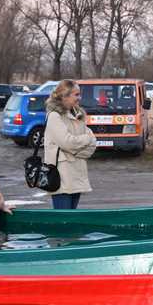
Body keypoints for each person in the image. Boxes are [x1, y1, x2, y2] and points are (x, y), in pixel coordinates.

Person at [44, 79, 96, 209]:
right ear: (65, 96)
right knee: (63, 221)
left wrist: (76, 148)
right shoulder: (54, 116)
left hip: (77, 175)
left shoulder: (78, 115)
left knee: (71, 218)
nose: (80, 98)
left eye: (79, 94)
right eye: (76, 94)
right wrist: (85, 140)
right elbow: (67, 142)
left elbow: (93, 144)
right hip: (61, 178)